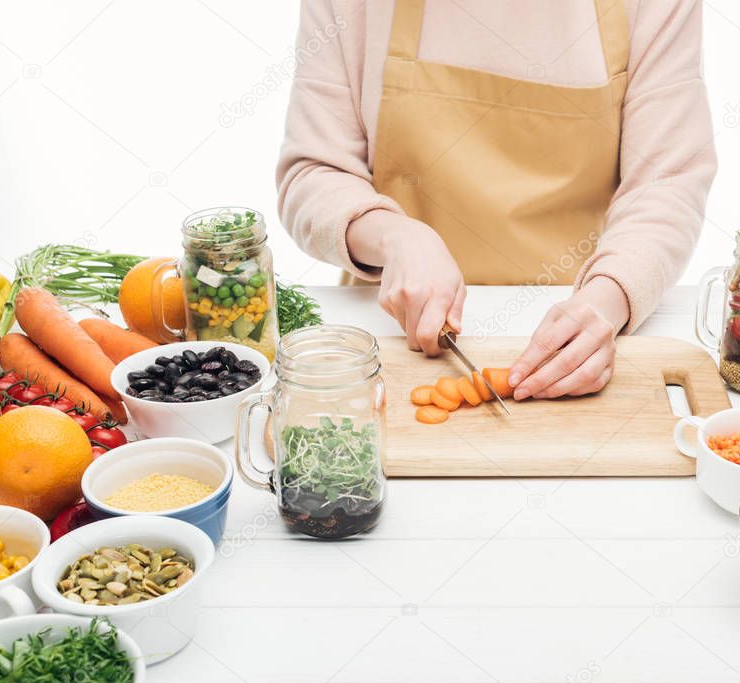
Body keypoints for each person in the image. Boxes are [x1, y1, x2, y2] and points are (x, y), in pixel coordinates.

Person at [277, 0, 716, 400]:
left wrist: (609, 298)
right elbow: (314, 172)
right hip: (393, 333)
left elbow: (667, 182)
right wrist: (394, 238)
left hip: (580, 332)